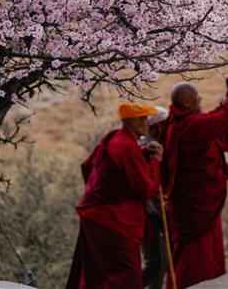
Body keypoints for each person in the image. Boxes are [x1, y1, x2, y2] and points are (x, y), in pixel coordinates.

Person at [163, 75, 228, 289]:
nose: (201, 100)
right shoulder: (190, 126)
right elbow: (225, 120)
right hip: (196, 209)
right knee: (195, 265)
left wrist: (223, 104)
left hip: (192, 206)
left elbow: (211, 122)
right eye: (197, 97)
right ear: (186, 102)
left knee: (200, 260)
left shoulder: (178, 124)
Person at [66, 102, 163, 289]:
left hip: (95, 216)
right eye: (144, 118)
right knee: (127, 275)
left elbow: (88, 166)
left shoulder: (115, 137)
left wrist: (143, 154)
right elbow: (146, 189)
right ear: (134, 121)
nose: (147, 122)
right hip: (112, 221)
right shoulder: (126, 147)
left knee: (96, 276)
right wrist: (155, 161)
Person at [142, 107, 169, 289]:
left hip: (151, 214)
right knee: (156, 264)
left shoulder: (151, 144)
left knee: (160, 263)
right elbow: (149, 187)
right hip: (148, 215)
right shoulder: (149, 148)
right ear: (158, 127)